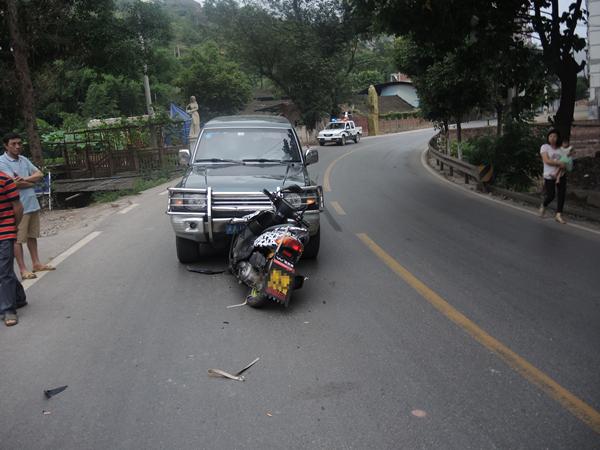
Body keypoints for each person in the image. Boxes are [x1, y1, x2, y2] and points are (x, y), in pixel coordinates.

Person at [0, 133, 55, 279]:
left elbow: (39, 174)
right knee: (18, 239)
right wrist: (32, 182)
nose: (17, 146)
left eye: (19, 143)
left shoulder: (23, 159)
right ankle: (23, 269)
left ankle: (36, 263)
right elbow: (12, 183)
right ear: (6, 145)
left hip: (31, 203)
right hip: (18, 206)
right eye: (13, 144)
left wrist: (24, 179)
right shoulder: (2, 162)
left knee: (32, 235)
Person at [0, 168, 25, 326]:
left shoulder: (5, 180)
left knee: (4, 269)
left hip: (5, 229)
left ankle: (9, 309)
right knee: (4, 270)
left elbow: (18, 207)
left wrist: (13, 227)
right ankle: (20, 297)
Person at [539, 129, 569, 224]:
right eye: (550, 136)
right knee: (551, 195)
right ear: (548, 137)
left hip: (561, 174)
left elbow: (565, 161)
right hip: (549, 175)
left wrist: (563, 165)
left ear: (558, 138)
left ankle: (558, 215)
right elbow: (546, 160)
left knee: (561, 195)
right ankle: (544, 205)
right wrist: (559, 163)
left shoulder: (561, 149)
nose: (552, 138)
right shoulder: (545, 147)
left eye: (555, 136)